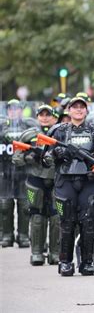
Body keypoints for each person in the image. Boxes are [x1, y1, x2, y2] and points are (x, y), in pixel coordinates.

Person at [44, 94, 94, 276]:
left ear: (86, 110)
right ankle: (65, 262)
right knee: (66, 222)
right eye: (75, 107)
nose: (79, 110)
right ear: (69, 110)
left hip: (89, 181)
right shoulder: (58, 132)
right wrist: (56, 154)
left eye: (82, 107)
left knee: (88, 222)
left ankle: (87, 262)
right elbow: (46, 157)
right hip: (65, 180)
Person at [12, 105, 60, 265]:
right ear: (37, 116)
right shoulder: (29, 134)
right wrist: (28, 158)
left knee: (56, 217)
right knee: (37, 216)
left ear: (54, 117)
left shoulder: (60, 133)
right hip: (35, 180)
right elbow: (16, 158)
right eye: (42, 114)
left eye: (48, 114)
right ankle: (37, 253)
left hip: (56, 180)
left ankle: (55, 253)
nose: (45, 117)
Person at [0, 99, 38, 248]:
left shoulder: (29, 126)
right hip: (4, 171)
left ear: (21, 111)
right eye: (11, 109)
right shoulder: (2, 126)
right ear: (7, 111)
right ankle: (7, 235)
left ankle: (23, 235)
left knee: (24, 204)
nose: (13, 112)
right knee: (4, 205)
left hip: (23, 170)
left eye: (16, 109)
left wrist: (30, 157)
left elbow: (35, 145)